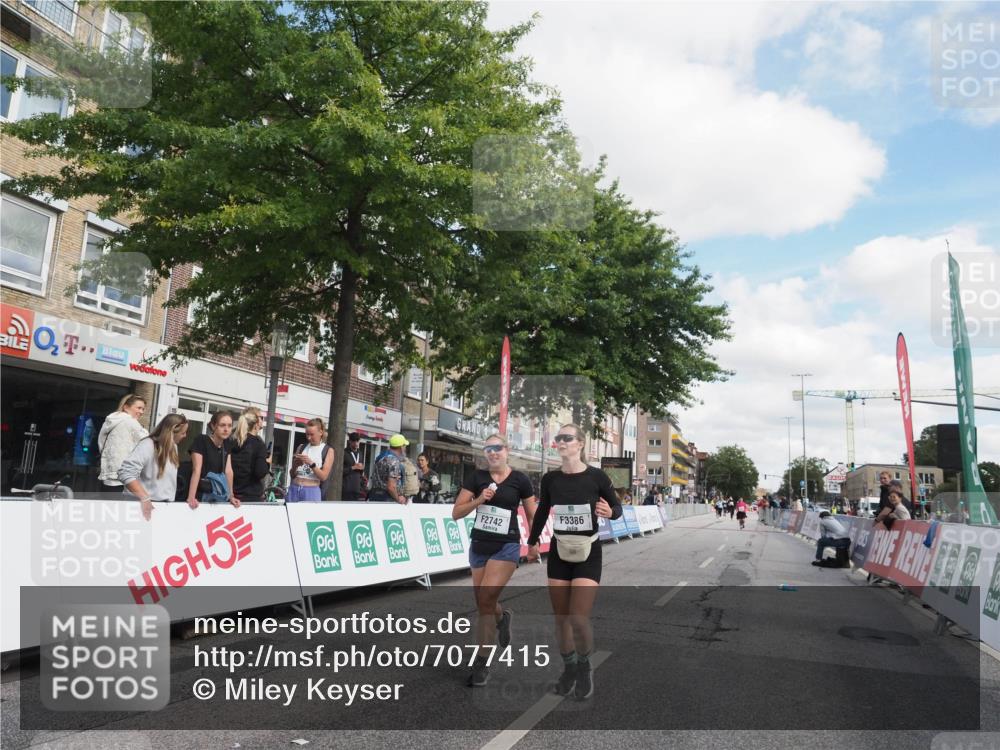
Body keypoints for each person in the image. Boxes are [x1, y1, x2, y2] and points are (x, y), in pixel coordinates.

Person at [526, 424, 622, 701]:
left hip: (588, 552)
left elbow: (616, 508)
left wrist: (610, 512)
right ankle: (569, 668)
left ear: (580, 444)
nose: (561, 442)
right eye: (558, 438)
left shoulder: (597, 477)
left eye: (566, 438)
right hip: (559, 550)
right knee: (561, 619)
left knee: (578, 618)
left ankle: (584, 666)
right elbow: (543, 511)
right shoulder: (551, 479)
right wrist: (532, 543)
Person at [453, 434, 537, 687]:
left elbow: (533, 514)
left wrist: (532, 545)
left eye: (497, 448)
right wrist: (479, 500)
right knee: (483, 603)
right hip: (479, 546)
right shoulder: (476, 478)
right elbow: (456, 512)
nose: (492, 453)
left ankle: (482, 662)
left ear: (507, 450)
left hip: (507, 546)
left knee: (487, 598)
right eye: (488, 449)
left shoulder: (520, 480)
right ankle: (503, 618)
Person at [119, 414, 190, 521]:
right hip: (141, 506)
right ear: (172, 431)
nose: (185, 436)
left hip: (163, 507)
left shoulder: (174, 447)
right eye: (183, 432)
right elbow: (126, 472)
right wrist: (144, 497)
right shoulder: (148, 444)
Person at [185, 411, 238, 509]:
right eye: (222, 425)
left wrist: (231, 496)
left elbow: (228, 471)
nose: (226, 429)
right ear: (213, 426)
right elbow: (197, 469)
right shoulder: (201, 440)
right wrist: (191, 496)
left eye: (229, 426)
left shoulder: (227, 444)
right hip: (201, 494)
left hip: (218, 495)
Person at [98, 394, 148, 493]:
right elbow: (146, 443)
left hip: (109, 473)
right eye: (138, 408)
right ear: (126, 407)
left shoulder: (110, 421)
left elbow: (101, 444)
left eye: (143, 409)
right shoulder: (130, 421)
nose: (141, 412)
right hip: (125, 476)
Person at [288, 418, 336, 502]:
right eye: (307, 434)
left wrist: (311, 464)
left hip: (311, 490)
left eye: (312, 434)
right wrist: (295, 465)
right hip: (295, 488)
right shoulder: (301, 447)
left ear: (320, 432)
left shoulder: (328, 450)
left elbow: (323, 477)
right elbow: (292, 474)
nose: (309, 437)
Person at [229, 407, 270, 503]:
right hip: (251, 497)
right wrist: (267, 463)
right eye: (262, 417)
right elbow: (260, 472)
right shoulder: (259, 444)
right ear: (256, 422)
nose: (263, 420)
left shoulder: (232, 441)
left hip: (231, 495)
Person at [368, 434, 408, 504]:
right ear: (401, 447)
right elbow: (391, 487)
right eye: (404, 446)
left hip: (374, 494)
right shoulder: (393, 461)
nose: (405, 448)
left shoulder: (382, 457)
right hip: (387, 497)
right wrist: (398, 499)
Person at [342, 432, 365, 502]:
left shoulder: (360, 453)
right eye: (354, 441)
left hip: (357, 488)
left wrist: (362, 468)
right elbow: (339, 471)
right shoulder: (344, 452)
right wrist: (353, 468)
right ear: (350, 441)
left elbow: (360, 472)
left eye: (357, 441)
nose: (356, 443)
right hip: (347, 489)